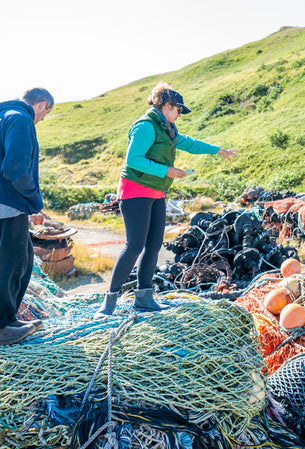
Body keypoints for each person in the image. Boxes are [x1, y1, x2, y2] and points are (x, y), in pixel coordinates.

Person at [96, 82, 237, 316]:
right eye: (179, 109)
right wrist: (167, 171)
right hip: (134, 191)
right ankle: (109, 301)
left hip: (156, 193)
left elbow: (191, 143)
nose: (180, 114)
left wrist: (218, 150)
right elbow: (134, 160)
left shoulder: (169, 130)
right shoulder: (146, 126)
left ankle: (144, 299)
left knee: (153, 246)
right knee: (134, 246)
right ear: (167, 105)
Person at [0, 87, 54, 349]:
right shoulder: (20, 119)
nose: (42, 119)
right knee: (10, 265)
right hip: (4, 203)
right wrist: (34, 202)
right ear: (41, 105)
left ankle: (7, 319)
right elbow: (15, 169)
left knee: (22, 259)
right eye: (45, 113)